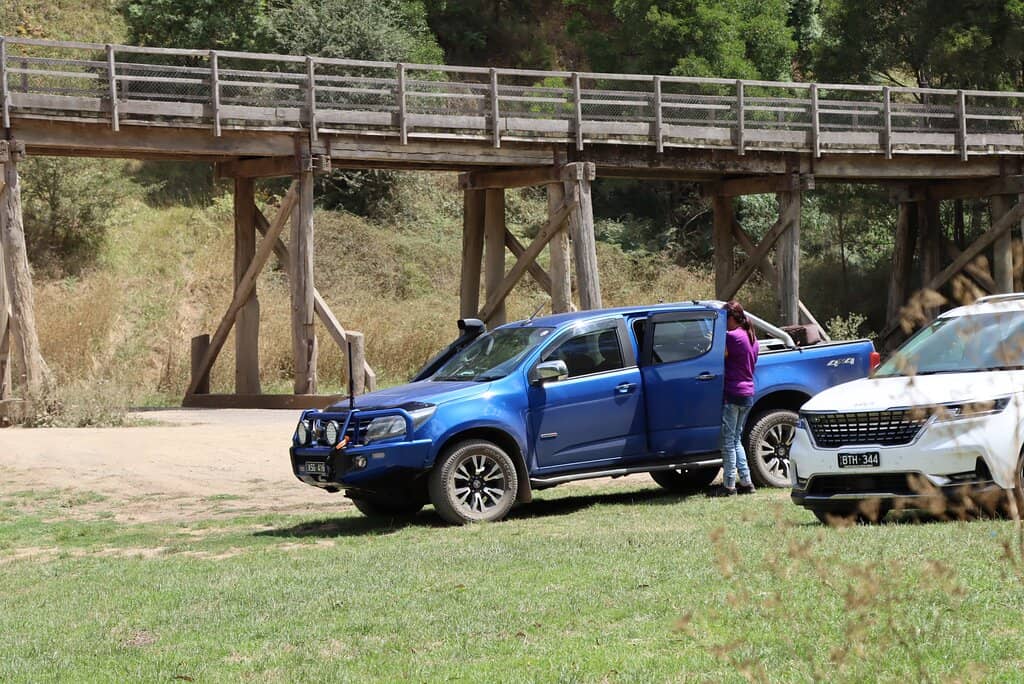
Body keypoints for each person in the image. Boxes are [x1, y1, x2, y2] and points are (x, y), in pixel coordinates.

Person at [713, 300, 759, 496]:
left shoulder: (731, 337)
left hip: (733, 393)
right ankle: (747, 482)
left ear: (731, 318)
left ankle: (729, 485)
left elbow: (718, 355)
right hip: (748, 393)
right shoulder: (752, 339)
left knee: (728, 441)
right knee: (736, 439)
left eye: (724, 318)